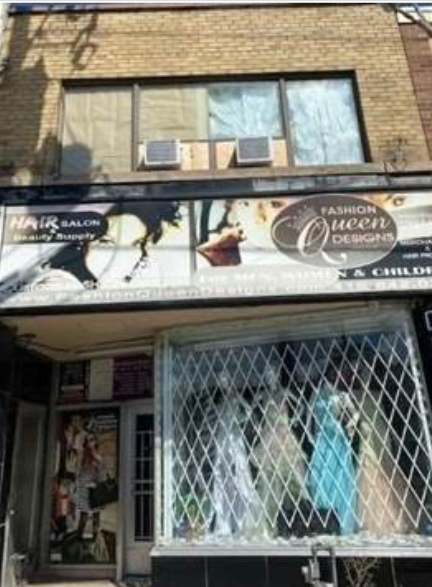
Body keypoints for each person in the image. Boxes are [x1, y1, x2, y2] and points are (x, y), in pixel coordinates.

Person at [28, 201, 185, 291]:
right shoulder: (58, 281)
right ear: (87, 243)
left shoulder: (147, 276)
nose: (118, 257)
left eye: (135, 244)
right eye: (107, 242)